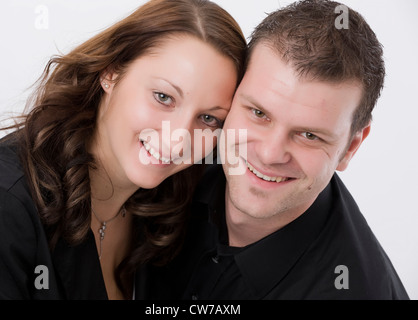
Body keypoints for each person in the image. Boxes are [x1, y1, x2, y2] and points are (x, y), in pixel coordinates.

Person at [0, 0, 247, 300]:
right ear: (111, 73)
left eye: (208, 118)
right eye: (163, 97)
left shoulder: (178, 203)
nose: (178, 139)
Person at [136, 0, 410, 299]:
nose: (269, 154)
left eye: (309, 135)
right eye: (258, 113)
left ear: (350, 147)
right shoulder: (172, 162)